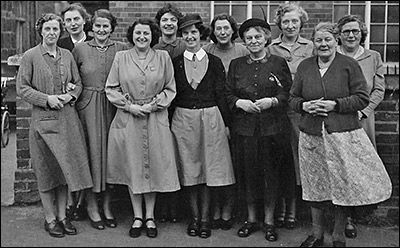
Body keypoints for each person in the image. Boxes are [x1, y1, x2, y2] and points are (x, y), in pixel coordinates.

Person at [289, 22, 392, 247]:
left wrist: (334, 104)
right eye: (319, 40)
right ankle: (316, 234)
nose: (323, 44)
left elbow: (362, 98)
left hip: (342, 134)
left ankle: (337, 235)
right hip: (311, 135)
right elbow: (293, 98)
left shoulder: (348, 65)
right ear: (313, 43)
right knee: (314, 185)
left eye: (327, 39)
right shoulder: (306, 66)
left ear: (336, 41)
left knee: (341, 185)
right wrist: (304, 106)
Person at [16, 13, 93, 238]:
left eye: (55, 29)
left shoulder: (67, 55)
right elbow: (22, 88)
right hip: (43, 123)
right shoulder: (31, 56)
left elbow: (78, 83)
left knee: (64, 171)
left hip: (68, 121)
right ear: (40, 31)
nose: (52, 33)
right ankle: (50, 218)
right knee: (46, 171)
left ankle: (62, 216)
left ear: (61, 32)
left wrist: (71, 96)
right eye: (48, 29)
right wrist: (46, 99)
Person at [105, 18, 180, 239]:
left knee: (154, 165)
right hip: (129, 118)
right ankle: (137, 216)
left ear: (152, 36)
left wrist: (152, 105)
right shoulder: (121, 57)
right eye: (138, 33)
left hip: (155, 117)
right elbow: (111, 88)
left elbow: (170, 88)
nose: (142, 37)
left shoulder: (163, 57)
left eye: (146, 33)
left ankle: (150, 216)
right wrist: (129, 106)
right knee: (134, 166)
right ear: (131, 35)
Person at [225, 18, 293, 242]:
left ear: (266, 38)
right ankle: (251, 219)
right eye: (249, 38)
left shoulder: (278, 63)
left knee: (271, 174)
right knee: (248, 174)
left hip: (272, 129)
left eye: (257, 37)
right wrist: (239, 103)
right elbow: (227, 93)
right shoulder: (236, 65)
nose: (253, 41)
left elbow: (287, 94)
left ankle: (270, 221)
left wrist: (272, 101)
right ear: (244, 42)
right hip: (244, 129)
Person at [170, 14, 235, 239]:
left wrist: (227, 124)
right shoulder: (175, 61)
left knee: (208, 171)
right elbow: (172, 95)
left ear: (201, 34)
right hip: (183, 119)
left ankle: (206, 219)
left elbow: (221, 94)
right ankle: (194, 218)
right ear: (182, 35)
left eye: (194, 32)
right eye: (185, 33)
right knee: (189, 169)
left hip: (211, 118)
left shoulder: (214, 61)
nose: (190, 36)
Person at [72, 9, 128, 230]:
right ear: (91, 27)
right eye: (97, 26)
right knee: (92, 155)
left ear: (112, 28)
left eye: (106, 26)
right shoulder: (80, 49)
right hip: (87, 106)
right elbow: (71, 77)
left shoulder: (121, 49)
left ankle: (107, 206)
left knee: (110, 156)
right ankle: (91, 205)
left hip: (113, 106)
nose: (102, 30)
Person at [336, 14, 386, 240]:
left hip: (362, 119)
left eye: (355, 31)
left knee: (359, 167)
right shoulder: (332, 55)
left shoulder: (373, 57)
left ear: (362, 34)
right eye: (346, 31)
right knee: (340, 165)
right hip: (337, 119)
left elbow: (378, 89)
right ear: (339, 34)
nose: (350, 35)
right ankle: (343, 219)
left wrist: (363, 111)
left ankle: (355, 214)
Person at [266, 2, 314, 230]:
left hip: (301, 113)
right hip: (277, 111)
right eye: (286, 21)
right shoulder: (271, 48)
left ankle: (294, 210)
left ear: (301, 23)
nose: (290, 25)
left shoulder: (311, 47)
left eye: (295, 21)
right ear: (279, 25)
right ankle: (282, 209)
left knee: (299, 160)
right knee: (280, 160)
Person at [202, 13, 248, 231]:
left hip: (238, 112)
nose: (222, 32)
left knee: (232, 164)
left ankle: (228, 210)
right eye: (218, 28)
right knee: (215, 164)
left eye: (226, 28)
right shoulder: (207, 52)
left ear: (232, 30)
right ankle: (215, 210)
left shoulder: (242, 51)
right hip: (214, 112)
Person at [58, 2, 93, 221]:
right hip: (68, 106)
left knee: (89, 151)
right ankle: (70, 201)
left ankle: (84, 202)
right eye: (68, 20)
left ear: (84, 20)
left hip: (90, 104)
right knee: (70, 152)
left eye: (76, 19)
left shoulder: (93, 41)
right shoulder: (59, 44)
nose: (72, 24)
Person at [152, 3, 185, 224]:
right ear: (159, 23)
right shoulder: (153, 45)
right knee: (161, 155)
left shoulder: (185, 44)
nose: (169, 23)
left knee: (179, 154)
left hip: (182, 104)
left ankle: (178, 207)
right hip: (160, 105)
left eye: (173, 20)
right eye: (165, 20)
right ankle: (161, 207)